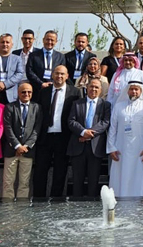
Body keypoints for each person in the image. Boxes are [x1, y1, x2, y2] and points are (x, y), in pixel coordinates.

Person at [33, 65, 81, 198]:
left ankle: (56, 200)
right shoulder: (44, 91)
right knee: (40, 170)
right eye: (57, 73)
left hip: (63, 137)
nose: (59, 76)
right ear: (52, 75)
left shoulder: (75, 92)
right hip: (45, 136)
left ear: (67, 76)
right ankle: (39, 200)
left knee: (60, 171)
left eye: (62, 74)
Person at [107, 79, 143, 198]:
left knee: (137, 176)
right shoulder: (119, 106)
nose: (134, 91)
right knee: (119, 176)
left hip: (140, 149)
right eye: (131, 89)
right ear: (127, 91)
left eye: (136, 89)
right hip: (120, 149)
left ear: (140, 91)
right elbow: (113, 128)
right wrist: (111, 147)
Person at [68, 77, 111, 198]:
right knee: (77, 180)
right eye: (91, 86)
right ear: (86, 88)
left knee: (93, 180)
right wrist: (83, 132)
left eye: (96, 87)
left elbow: (105, 122)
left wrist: (89, 134)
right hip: (78, 146)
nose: (93, 89)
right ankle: (77, 207)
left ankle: (91, 208)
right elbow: (71, 121)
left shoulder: (105, 105)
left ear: (101, 90)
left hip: (95, 147)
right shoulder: (77, 103)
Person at [2, 82, 42, 201]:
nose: (26, 94)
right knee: (8, 182)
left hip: (28, 151)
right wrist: (17, 145)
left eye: (29, 92)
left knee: (24, 182)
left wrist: (26, 146)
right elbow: (7, 128)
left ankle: (21, 209)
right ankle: (7, 209)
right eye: (23, 92)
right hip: (11, 150)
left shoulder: (37, 108)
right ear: (18, 93)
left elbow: (36, 130)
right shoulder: (10, 107)